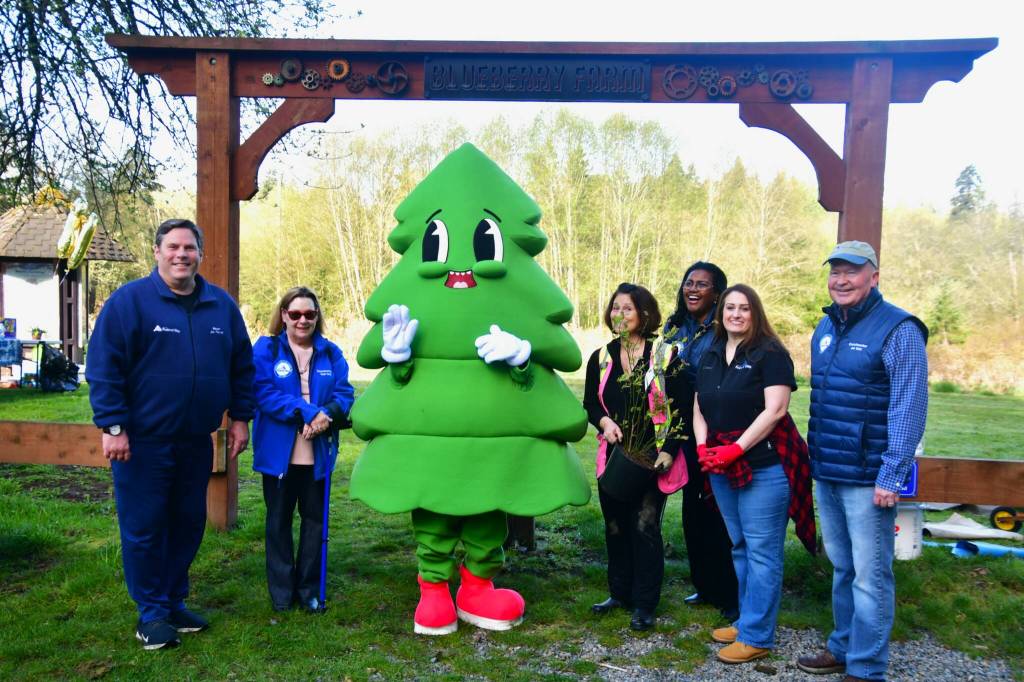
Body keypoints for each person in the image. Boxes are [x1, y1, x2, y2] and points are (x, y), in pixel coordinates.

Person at [87, 218, 255, 650]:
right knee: (145, 527)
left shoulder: (221, 307)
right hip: (142, 443)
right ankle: (151, 614)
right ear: (158, 252)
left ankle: (173, 602)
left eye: (189, 247)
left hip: (195, 441)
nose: (182, 254)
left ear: (200, 254)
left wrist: (240, 417)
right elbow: (104, 368)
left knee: (187, 523)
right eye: (173, 247)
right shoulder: (130, 303)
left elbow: (242, 366)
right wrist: (113, 426)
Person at [797, 241, 928, 682]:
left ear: (874, 276)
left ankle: (868, 667)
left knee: (870, 575)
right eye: (835, 271)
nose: (841, 280)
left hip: (870, 477)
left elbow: (909, 407)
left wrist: (892, 474)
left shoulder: (898, 329)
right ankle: (843, 647)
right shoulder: (825, 325)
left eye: (851, 271)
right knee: (843, 567)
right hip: (830, 470)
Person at [693, 284, 815, 664]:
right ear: (721, 313)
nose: (736, 314)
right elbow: (698, 405)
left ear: (755, 313)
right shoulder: (711, 352)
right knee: (740, 546)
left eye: (744, 308)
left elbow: (775, 410)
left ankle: (758, 636)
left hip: (763, 465)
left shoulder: (770, 353)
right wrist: (703, 447)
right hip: (720, 465)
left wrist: (736, 449)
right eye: (730, 307)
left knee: (762, 553)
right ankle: (747, 621)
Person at [583, 283, 688, 631]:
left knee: (644, 527)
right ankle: (619, 593)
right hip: (614, 457)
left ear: (644, 314)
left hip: (653, 459)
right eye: (615, 308)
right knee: (615, 526)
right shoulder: (601, 357)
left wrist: (669, 450)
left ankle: (644, 604)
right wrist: (605, 422)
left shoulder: (665, 356)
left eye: (627, 308)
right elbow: (591, 404)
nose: (620, 314)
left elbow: (683, 408)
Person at [251, 287, 355, 612]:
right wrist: (309, 412)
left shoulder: (331, 352)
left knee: (314, 523)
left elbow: (344, 394)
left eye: (309, 314)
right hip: (278, 456)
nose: (302, 320)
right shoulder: (267, 349)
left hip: (318, 456)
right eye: (295, 314)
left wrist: (327, 416)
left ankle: (309, 589)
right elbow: (263, 392)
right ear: (283, 315)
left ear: (316, 316)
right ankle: (282, 593)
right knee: (278, 523)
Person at [659, 262, 739, 621]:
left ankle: (729, 592)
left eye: (702, 285)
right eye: (688, 283)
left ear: (717, 293)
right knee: (692, 510)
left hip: (713, 427)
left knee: (717, 510)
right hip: (679, 426)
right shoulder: (675, 326)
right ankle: (704, 585)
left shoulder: (723, 331)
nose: (692, 289)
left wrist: (682, 370)